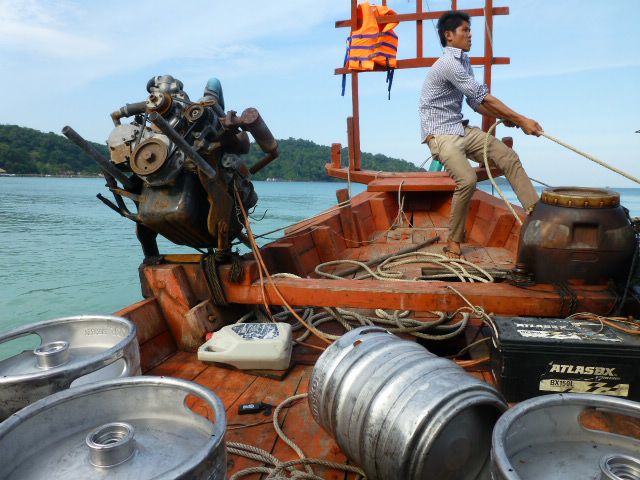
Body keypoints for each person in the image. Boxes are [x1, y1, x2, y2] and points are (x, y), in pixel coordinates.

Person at [419, 10, 542, 260]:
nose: (470, 35)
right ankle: (454, 242)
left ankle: (538, 217)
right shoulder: (448, 64)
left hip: (460, 128)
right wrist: (521, 120)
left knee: (508, 157)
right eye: (465, 30)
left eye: (470, 30)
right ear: (449, 35)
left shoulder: (464, 63)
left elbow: (476, 103)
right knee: (467, 180)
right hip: (440, 134)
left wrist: (508, 119)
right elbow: (483, 97)